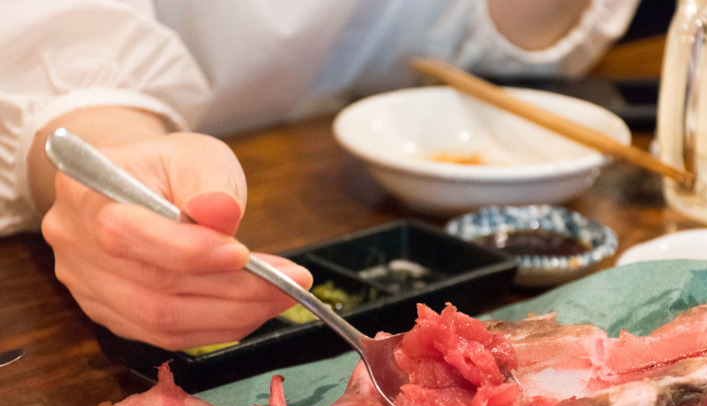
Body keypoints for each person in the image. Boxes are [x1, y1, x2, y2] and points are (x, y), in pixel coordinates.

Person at [0, 0, 641, 351]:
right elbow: (51, 36)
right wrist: (110, 160)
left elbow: (494, 30)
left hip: (371, 147)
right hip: (126, 136)